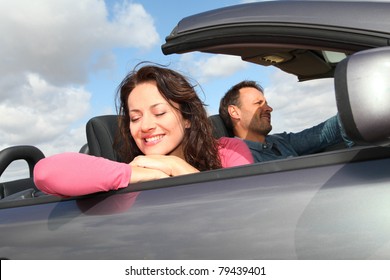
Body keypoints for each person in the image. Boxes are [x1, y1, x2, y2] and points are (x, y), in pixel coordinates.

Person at [34, 64, 253, 197]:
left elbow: (246, 202)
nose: (145, 126)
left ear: (187, 118)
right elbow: (45, 172)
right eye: (135, 117)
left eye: (159, 113)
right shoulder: (132, 168)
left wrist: (177, 167)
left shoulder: (228, 150)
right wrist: (134, 174)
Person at [219, 80, 354, 163]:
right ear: (235, 112)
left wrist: (355, 111)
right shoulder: (240, 159)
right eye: (258, 103)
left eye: (266, 103)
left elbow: (324, 132)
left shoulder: (281, 141)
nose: (269, 108)